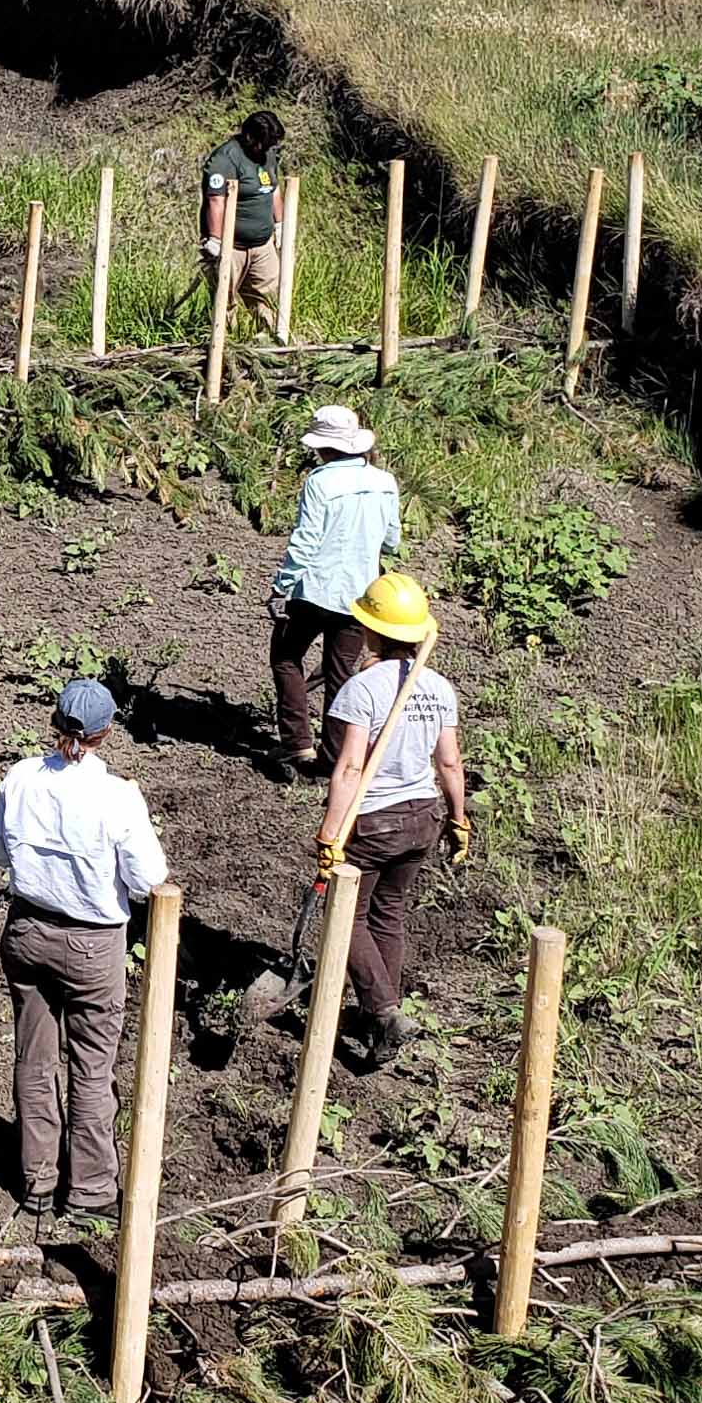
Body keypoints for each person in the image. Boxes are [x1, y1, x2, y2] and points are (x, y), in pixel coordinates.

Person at [0, 678, 171, 1223]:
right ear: (107, 732)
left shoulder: (20, 777)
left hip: (26, 933)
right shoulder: (118, 796)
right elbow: (149, 877)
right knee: (91, 1067)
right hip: (93, 946)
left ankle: (37, 1183)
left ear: (55, 723)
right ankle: (90, 1192)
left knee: (34, 1058)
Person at [313, 572, 473, 1073]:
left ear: (371, 631)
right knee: (390, 913)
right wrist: (459, 818)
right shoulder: (439, 687)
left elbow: (351, 768)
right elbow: (449, 763)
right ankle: (381, 1013)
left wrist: (330, 834)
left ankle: (382, 1012)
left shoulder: (361, 689)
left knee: (347, 916)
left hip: (376, 820)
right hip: (423, 817)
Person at [267, 405, 400, 784]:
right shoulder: (384, 481)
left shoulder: (320, 482)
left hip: (313, 592)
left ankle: (296, 741)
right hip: (361, 596)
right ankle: (333, 757)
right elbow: (392, 540)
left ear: (322, 448)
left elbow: (305, 541)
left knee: (286, 656)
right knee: (341, 675)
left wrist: (281, 587)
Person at [198, 107, 288, 328]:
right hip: (232, 246)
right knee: (224, 302)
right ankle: (226, 345)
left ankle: (268, 342)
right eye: (264, 143)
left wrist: (280, 225)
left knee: (267, 300)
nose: (268, 149)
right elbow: (216, 200)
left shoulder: (267, 155)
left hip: (262, 246)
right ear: (249, 137)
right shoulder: (225, 159)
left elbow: (273, 189)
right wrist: (215, 241)